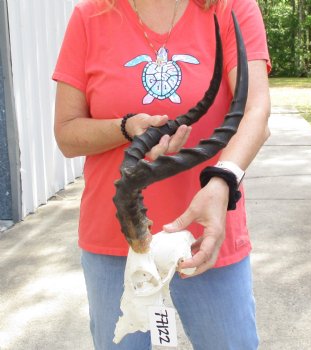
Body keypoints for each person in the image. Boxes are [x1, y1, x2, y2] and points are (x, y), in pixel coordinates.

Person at [53, 0, 271, 349]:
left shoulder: (231, 7)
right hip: (117, 237)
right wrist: (127, 128)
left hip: (206, 235)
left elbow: (256, 112)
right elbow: (66, 134)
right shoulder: (90, 15)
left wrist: (222, 181)